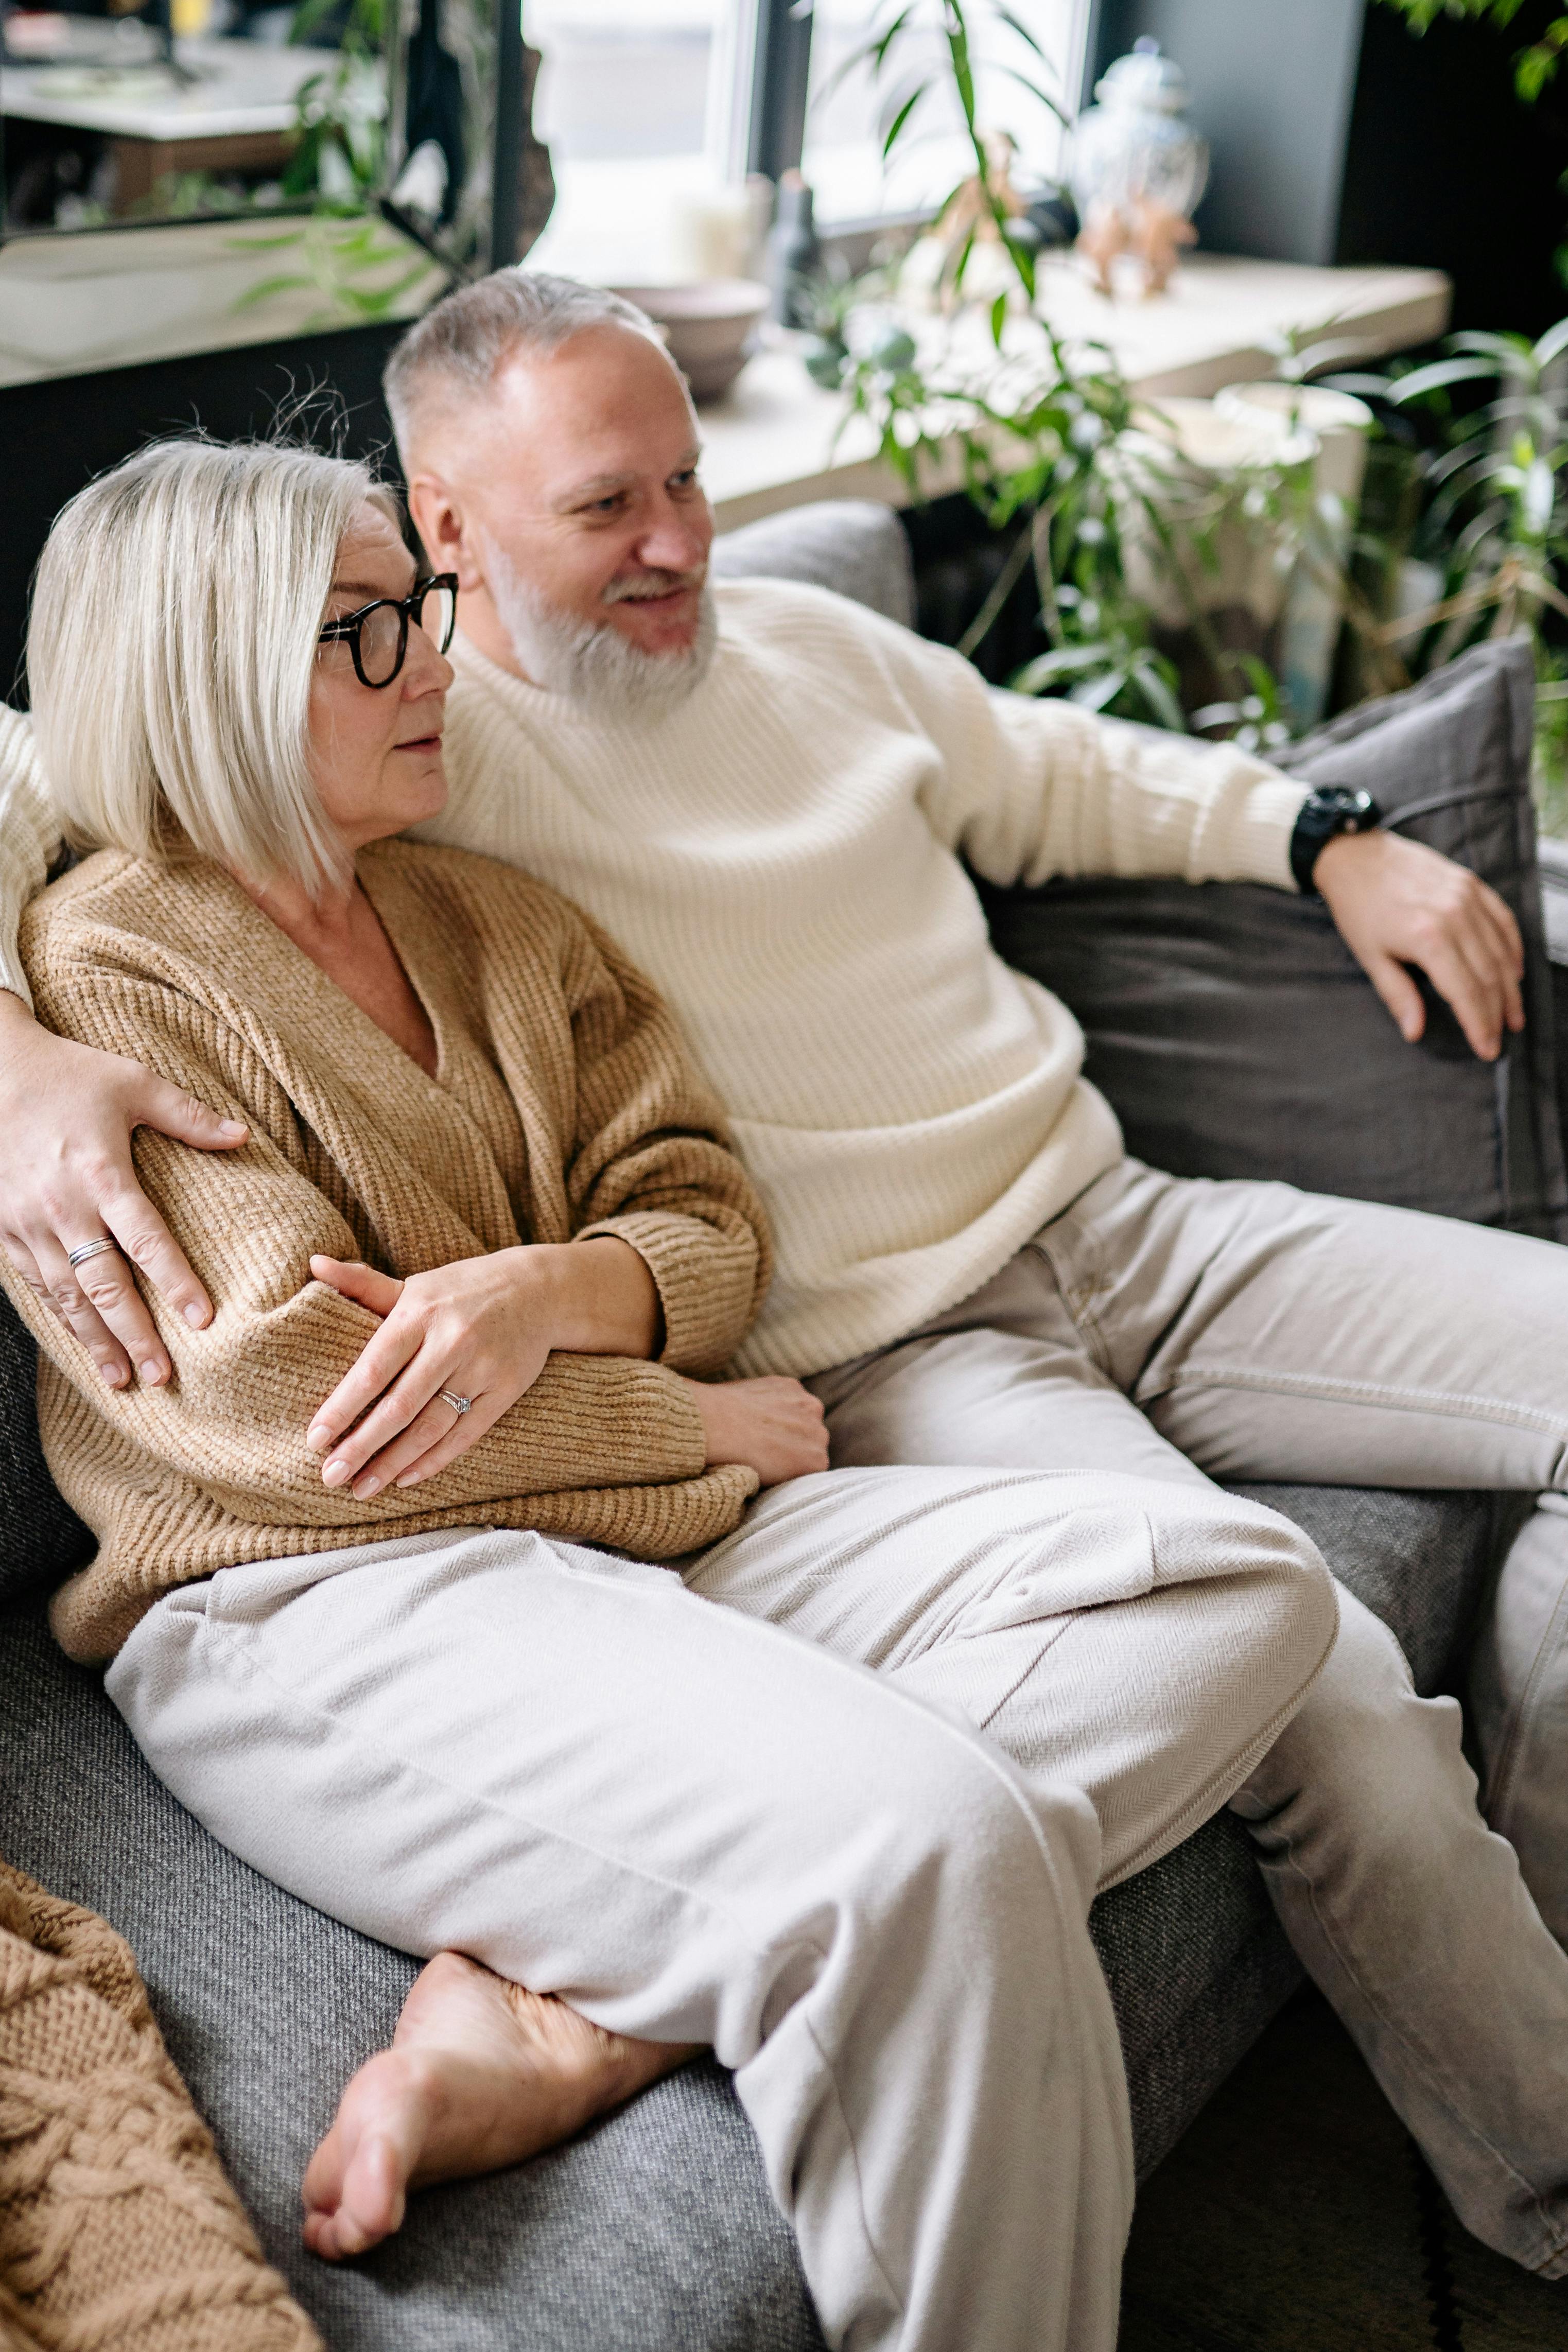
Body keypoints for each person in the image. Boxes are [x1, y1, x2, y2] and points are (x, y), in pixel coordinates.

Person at [2, 287, 1568, 2292]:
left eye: (691, 482)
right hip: (677, 1445)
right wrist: (11, 1054)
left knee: (1260, 1586)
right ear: (448, 535)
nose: (676, 543)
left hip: (1069, 1246)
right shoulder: (277, 850)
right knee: (1164, 1746)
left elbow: (711, 1184)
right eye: (603, 504)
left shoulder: (532, 861)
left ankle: (629, 1984)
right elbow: (295, 1389)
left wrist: (1326, 831)